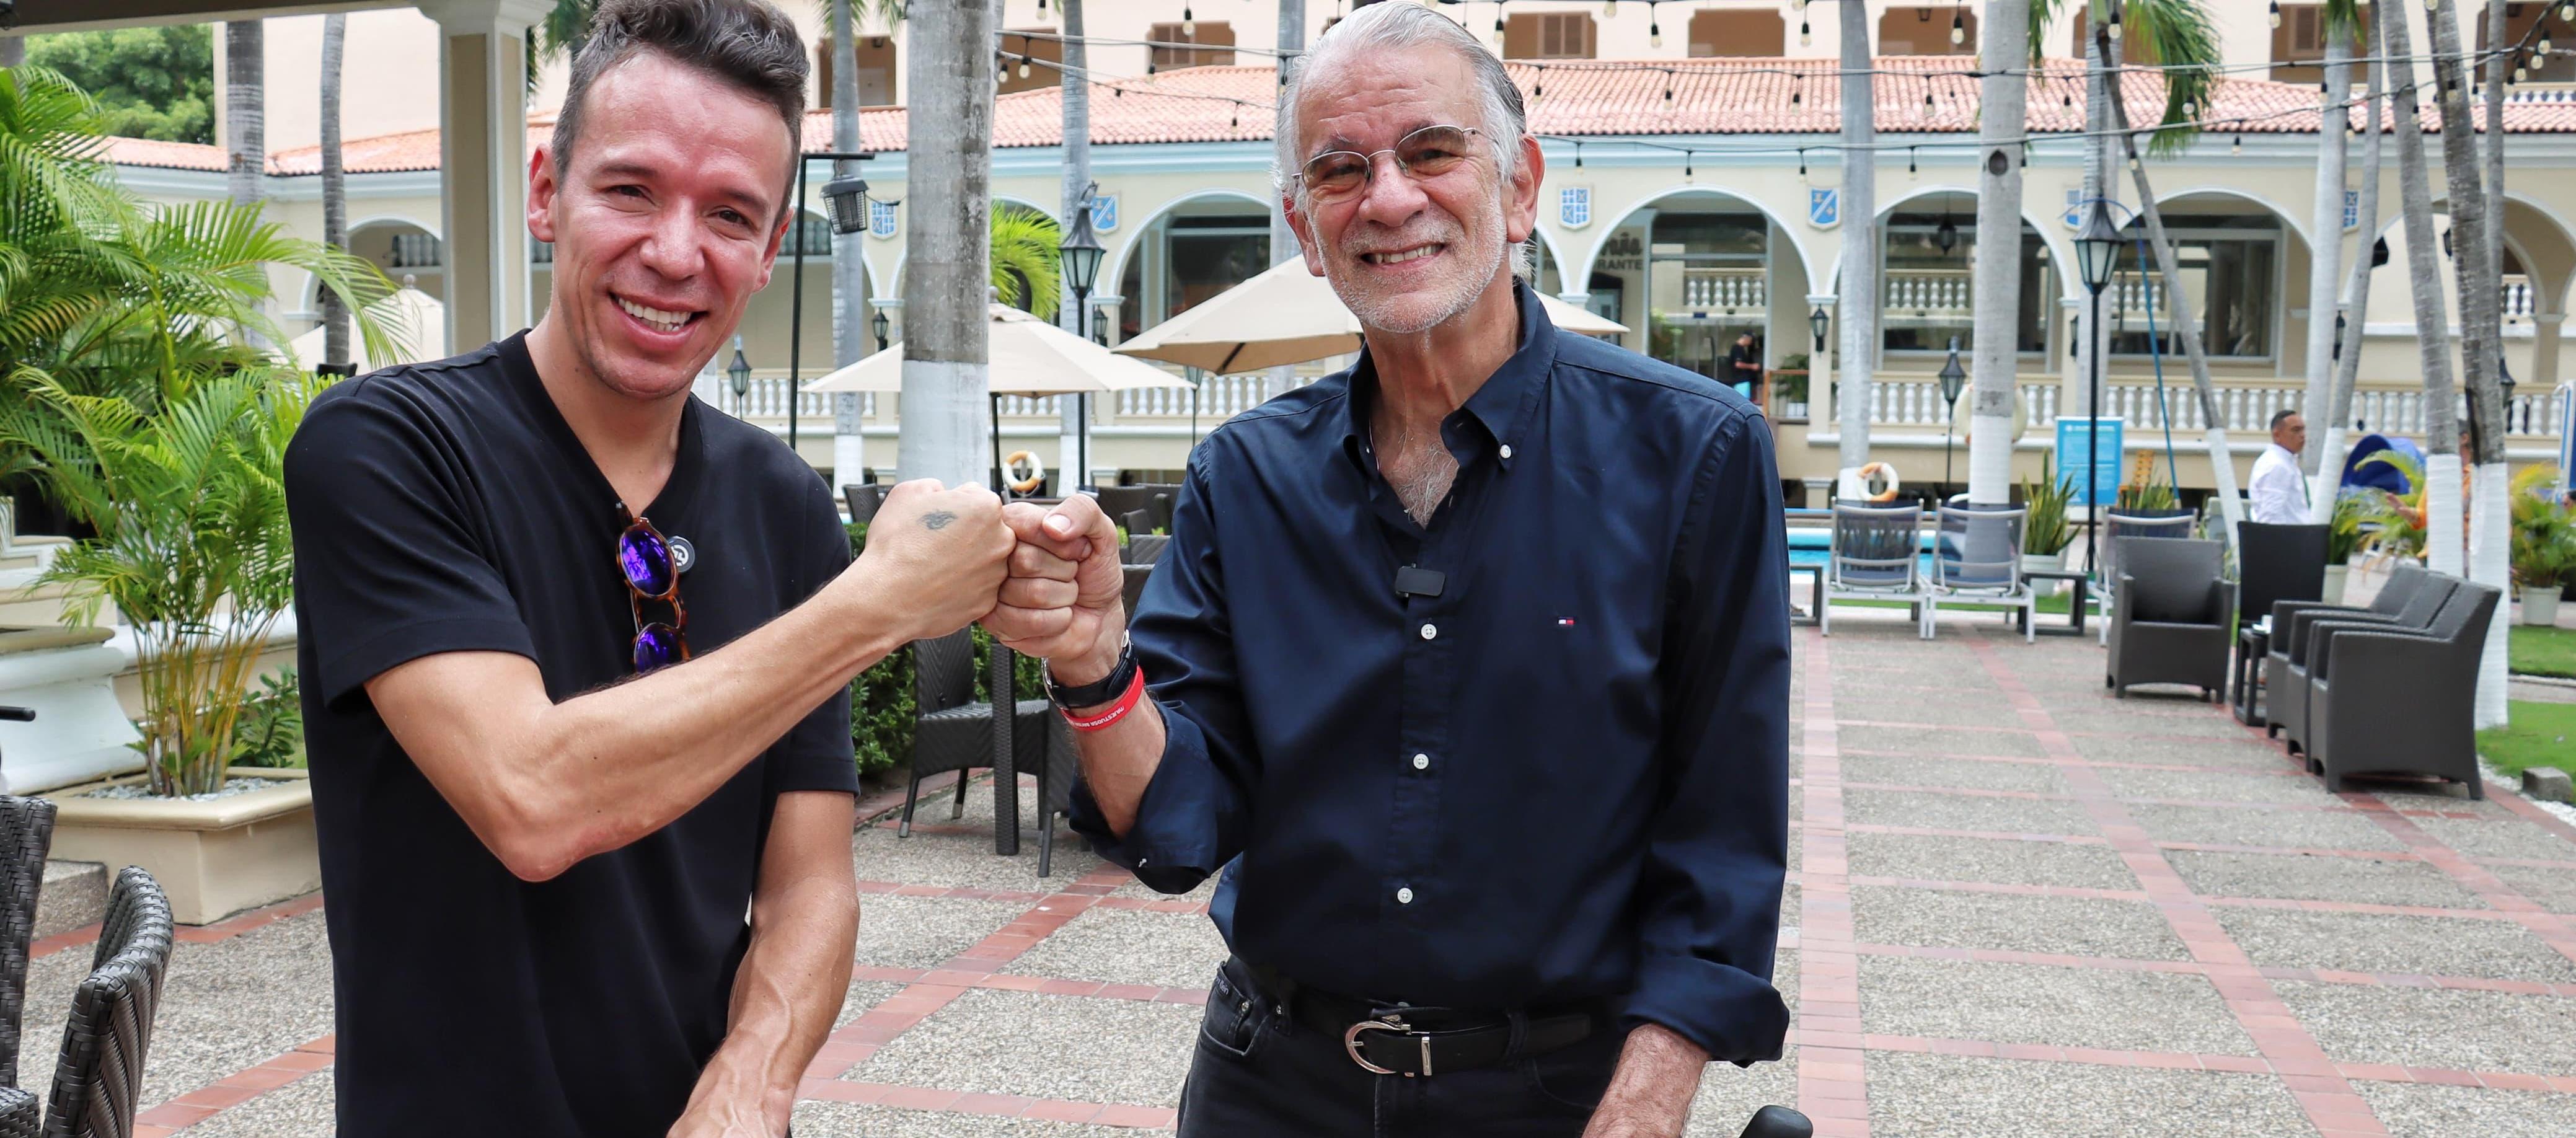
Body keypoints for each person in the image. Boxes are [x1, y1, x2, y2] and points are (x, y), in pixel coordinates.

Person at [981, 6, 1791, 1136]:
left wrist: (1651, 1098)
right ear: (1306, 231)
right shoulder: (1243, 475)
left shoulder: (1696, 454)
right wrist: (1090, 663)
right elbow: (1174, 828)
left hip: (1556, 1096)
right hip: (1270, 1084)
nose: (1390, 198)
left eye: (1431, 151)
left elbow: (1724, 824)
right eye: (1341, 170)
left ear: (1519, 188)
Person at [281, 2, 1013, 1134]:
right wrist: (878, 604)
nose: (676, 254)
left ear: (769, 252)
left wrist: (753, 1077)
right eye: (631, 190)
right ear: (547, 191)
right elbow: (532, 801)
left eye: (730, 215)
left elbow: (810, 883)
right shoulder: (389, 448)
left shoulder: (782, 505)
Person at [2249, 408, 2310, 524]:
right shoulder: (2277, 465)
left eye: (2303, 430)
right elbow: (2271, 515)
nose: (2303, 435)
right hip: (2285, 534)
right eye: (2296, 430)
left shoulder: (2286, 462)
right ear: (2277, 435)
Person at [1726, 330, 1762, 399]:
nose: (1751, 342)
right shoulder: (1737, 348)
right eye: (1751, 340)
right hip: (1741, 382)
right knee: (1742, 401)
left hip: (1743, 382)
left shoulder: (1741, 349)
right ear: (1747, 338)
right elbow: (1738, 364)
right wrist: (1752, 366)